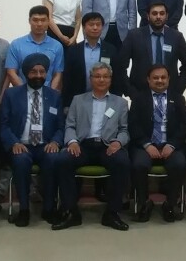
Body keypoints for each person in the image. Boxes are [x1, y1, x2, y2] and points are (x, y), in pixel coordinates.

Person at [55, 63, 131, 231]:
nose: (101, 79)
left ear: (110, 79)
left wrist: (118, 142)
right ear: (91, 79)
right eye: (97, 76)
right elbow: (70, 126)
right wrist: (72, 142)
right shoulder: (78, 100)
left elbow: (124, 130)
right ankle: (71, 212)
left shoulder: (120, 103)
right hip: (83, 145)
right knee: (63, 160)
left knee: (122, 162)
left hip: (107, 146)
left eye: (105, 76)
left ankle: (112, 213)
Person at [0, 53, 73, 227]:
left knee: (53, 159)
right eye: (34, 72)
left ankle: (48, 208)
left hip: (45, 145)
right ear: (26, 73)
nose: (38, 75)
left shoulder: (54, 96)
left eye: (42, 72)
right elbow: (3, 124)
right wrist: (14, 143)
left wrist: (55, 142)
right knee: (21, 161)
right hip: (21, 144)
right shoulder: (11, 94)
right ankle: (24, 210)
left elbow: (61, 126)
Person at [128, 65, 186, 223]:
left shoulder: (178, 98)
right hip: (146, 145)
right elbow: (133, 125)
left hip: (170, 145)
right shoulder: (138, 99)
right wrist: (147, 144)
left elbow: (184, 125)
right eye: (155, 78)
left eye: (163, 77)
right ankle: (144, 203)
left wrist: (172, 144)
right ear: (148, 80)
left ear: (169, 79)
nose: (160, 81)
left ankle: (170, 204)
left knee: (180, 163)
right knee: (139, 165)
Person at [118, 2, 186, 96]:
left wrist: (178, 90)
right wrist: (130, 91)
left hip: (170, 94)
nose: (158, 17)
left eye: (162, 13)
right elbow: (120, 66)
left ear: (166, 16)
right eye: (154, 13)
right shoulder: (134, 36)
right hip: (140, 94)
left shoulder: (176, 37)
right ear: (148, 16)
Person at [61, 12, 119, 106]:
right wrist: (66, 104)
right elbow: (67, 78)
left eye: (98, 25)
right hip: (78, 100)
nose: (95, 28)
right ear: (84, 27)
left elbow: (117, 77)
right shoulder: (74, 50)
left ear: (102, 27)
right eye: (91, 25)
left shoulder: (111, 50)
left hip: (105, 100)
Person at [4, 6, 65, 90]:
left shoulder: (57, 46)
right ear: (29, 21)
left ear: (48, 21)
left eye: (43, 20)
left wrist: (50, 94)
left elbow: (58, 74)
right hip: (22, 93)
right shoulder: (16, 44)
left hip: (47, 94)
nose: (39, 24)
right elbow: (11, 72)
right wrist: (26, 93)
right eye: (35, 20)